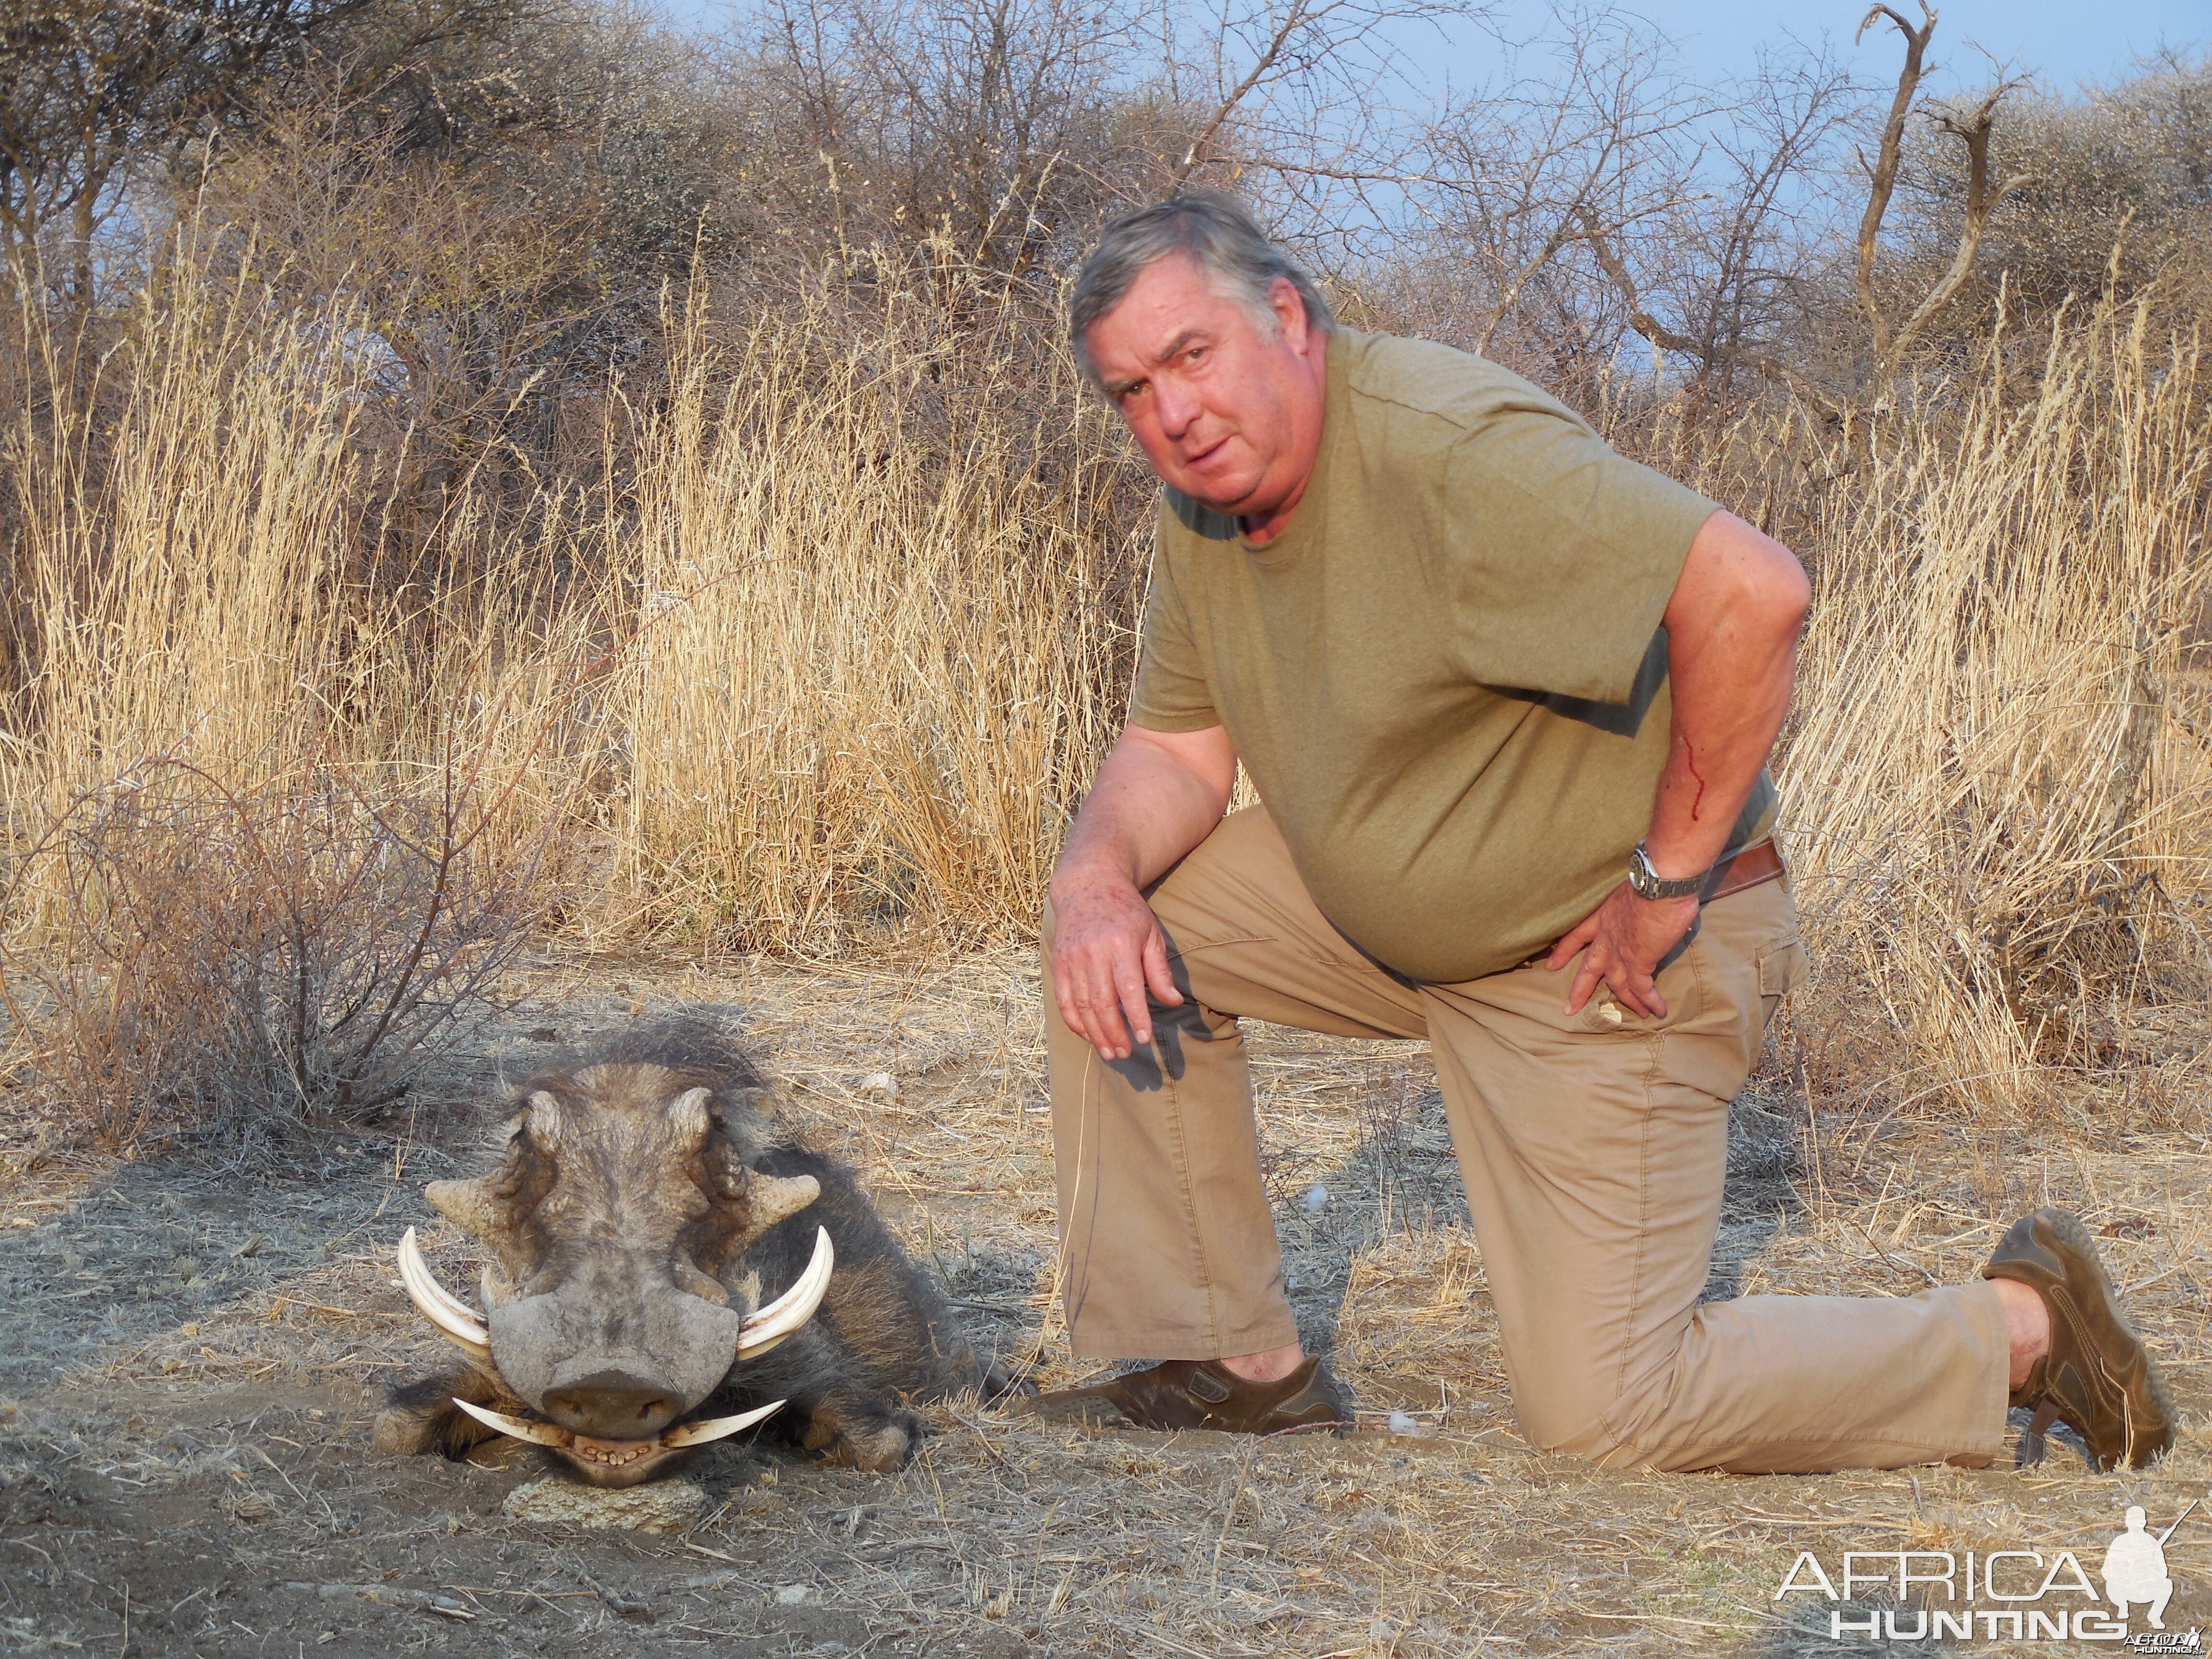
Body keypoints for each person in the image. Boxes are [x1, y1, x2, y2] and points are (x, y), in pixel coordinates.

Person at [1037, 190, 2173, 1473]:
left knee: (1607, 1413)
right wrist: (1089, 881)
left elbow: (1754, 590)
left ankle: (2022, 1327)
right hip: (1397, 926)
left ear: (1287, 317)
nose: (1171, 414)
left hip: (1595, 950)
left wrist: (1668, 875)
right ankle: (1232, 1363)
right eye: (1132, 391)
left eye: (1191, 357)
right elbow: (1177, 752)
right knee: (1123, 928)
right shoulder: (1205, 510)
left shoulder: (1441, 444)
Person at [2103, 1506, 2175, 1629]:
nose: (2135, 1525)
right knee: (2110, 1584)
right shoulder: (2120, 1542)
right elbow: (2107, 1570)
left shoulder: (2151, 1542)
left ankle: (2155, 1616)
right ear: (2127, 1522)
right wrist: (2124, 1576)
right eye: (2132, 1521)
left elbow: (2163, 1570)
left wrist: (2148, 1574)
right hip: (2124, 1588)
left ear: (2144, 1523)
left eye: (2139, 1521)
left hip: (2145, 1590)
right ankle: (2122, 1606)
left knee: (2167, 1584)